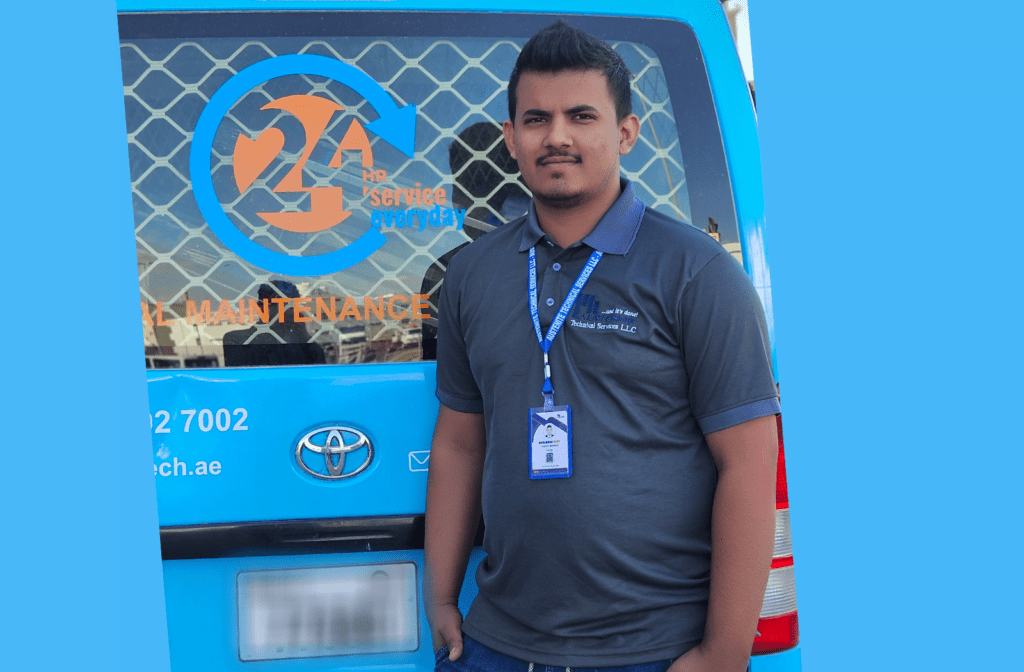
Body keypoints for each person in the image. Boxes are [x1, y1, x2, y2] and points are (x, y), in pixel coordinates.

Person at [425, 20, 780, 672]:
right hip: (498, 643)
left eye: (581, 115)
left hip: (655, 652)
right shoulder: (471, 275)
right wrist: (441, 596)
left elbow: (750, 466)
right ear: (511, 140)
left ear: (625, 133)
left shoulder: (697, 273)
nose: (556, 135)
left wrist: (724, 653)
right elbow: (459, 443)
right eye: (536, 118)